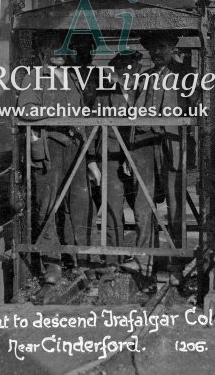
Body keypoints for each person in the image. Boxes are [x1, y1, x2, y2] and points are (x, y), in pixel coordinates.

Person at [120, 31, 199, 285]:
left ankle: (176, 261)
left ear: (173, 48)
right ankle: (145, 257)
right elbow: (131, 111)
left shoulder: (187, 74)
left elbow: (197, 106)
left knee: (176, 206)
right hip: (144, 144)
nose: (157, 53)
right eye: (153, 49)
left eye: (163, 47)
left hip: (173, 144)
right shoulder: (144, 77)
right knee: (143, 203)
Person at [18, 33, 95, 285]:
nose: (59, 53)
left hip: (75, 146)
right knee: (48, 205)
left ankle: (81, 259)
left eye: (62, 48)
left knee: (81, 204)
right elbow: (26, 110)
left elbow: (84, 111)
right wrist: (58, 115)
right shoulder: (34, 77)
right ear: (42, 53)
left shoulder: (73, 77)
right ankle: (52, 263)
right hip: (50, 148)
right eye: (52, 48)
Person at [88, 51, 143, 269]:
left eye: (134, 68)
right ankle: (114, 257)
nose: (130, 74)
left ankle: (145, 258)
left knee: (143, 209)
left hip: (139, 157)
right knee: (112, 208)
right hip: (111, 157)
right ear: (117, 71)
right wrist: (92, 160)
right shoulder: (105, 94)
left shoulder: (143, 91)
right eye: (125, 69)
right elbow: (93, 128)